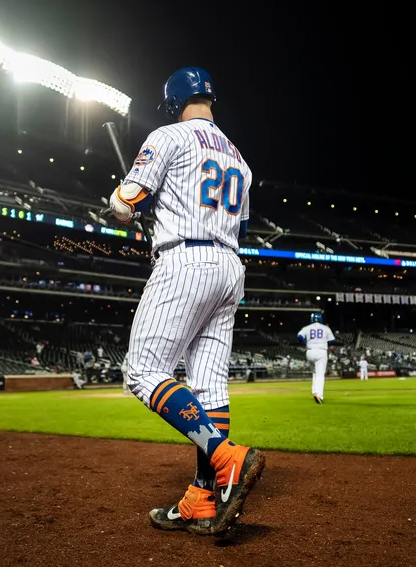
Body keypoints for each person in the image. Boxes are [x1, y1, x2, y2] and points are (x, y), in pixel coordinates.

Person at [109, 67, 263, 536]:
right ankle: (201, 498)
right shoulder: (239, 158)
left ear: (174, 102)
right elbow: (240, 226)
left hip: (186, 261)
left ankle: (226, 456)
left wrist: (123, 204)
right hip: (229, 266)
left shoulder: (168, 136)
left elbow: (125, 202)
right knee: (210, 389)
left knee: (142, 371)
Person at [297, 313, 336, 403]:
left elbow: (299, 336)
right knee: (320, 374)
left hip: (310, 351)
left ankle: (314, 391)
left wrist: (305, 344)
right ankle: (319, 395)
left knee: (314, 372)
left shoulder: (306, 328)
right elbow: (332, 340)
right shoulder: (325, 328)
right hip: (321, 351)